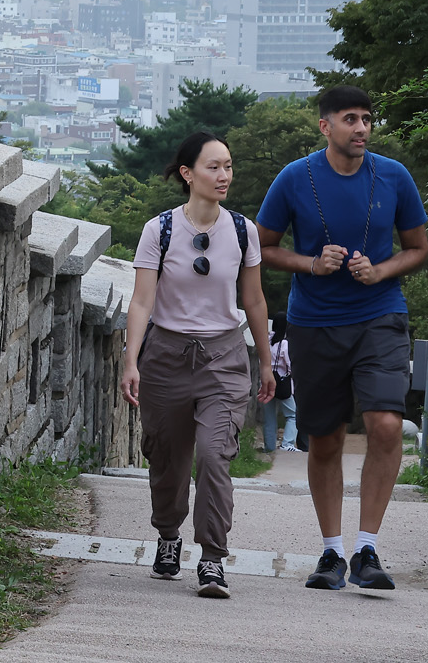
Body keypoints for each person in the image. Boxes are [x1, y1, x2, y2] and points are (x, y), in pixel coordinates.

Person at [256, 85, 428, 593]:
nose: (361, 128)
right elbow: (262, 246)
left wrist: (381, 271)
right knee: (326, 437)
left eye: (367, 119)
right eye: (350, 118)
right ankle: (332, 552)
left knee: (386, 424)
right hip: (314, 322)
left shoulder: (394, 176)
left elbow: (417, 247)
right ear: (325, 126)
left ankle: (368, 547)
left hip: (381, 316)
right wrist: (311, 263)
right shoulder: (295, 177)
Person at [121, 131, 274, 599]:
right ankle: (169, 536)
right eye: (213, 166)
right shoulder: (160, 229)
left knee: (214, 455)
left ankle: (212, 559)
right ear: (188, 173)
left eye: (228, 165)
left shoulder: (244, 230)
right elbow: (142, 301)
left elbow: (253, 299)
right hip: (166, 357)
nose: (223, 175)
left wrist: (266, 361)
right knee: (166, 458)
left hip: (224, 358)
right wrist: (131, 360)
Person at [260, 318, 298, 452]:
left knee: (269, 418)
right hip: (281, 384)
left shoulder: (266, 341)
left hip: (265, 383)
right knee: (293, 415)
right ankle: (287, 444)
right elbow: (290, 364)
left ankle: (269, 447)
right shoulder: (284, 344)